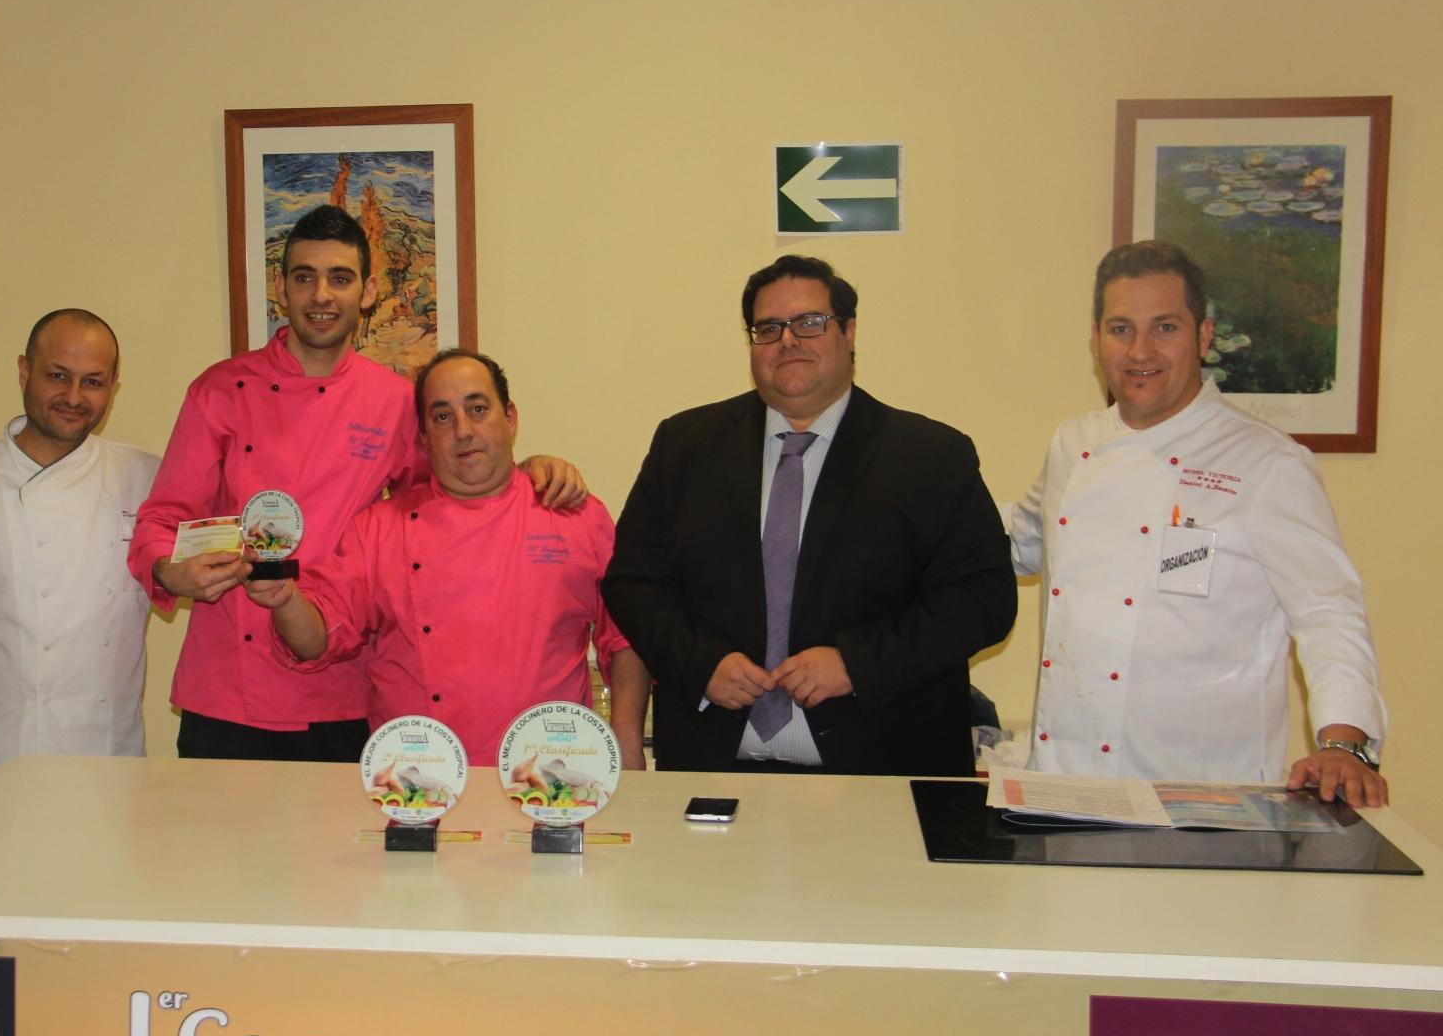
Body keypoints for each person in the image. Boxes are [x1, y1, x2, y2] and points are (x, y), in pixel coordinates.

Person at [129, 205, 585, 761]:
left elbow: (451, 495)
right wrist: (168, 569)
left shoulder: (393, 402)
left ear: (367, 291)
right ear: (281, 288)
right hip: (229, 687)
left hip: (344, 690)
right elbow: (163, 518)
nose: (321, 295)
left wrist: (530, 469)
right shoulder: (220, 390)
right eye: (305, 277)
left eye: (340, 278)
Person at [603, 255, 1015, 774]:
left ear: (850, 332)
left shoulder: (931, 457)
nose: (788, 341)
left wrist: (856, 664)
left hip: (882, 773)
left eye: (810, 323)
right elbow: (633, 583)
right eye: (768, 328)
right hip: (714, 767)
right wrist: (701, 662)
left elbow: (984, 599)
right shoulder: (684, 447)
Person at [1009, 240, 1388, 803]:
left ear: (1204, 336)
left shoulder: (1266, 462)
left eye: (1165, 327)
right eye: (1120, 329)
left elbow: (1328, 614)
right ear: (1095, 338)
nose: (1140, 350)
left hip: (1207, 796)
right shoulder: (1074, 442)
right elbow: (1017, 542)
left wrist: (1344, 744)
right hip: (1066, 784)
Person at [244, 349, 648, 769]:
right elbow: (318, 639)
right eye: (442, 416)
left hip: (548, 775)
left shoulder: (573, 514)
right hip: (417, 778)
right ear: (423, 439)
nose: (463, 431)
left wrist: (626, 742)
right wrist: (285, 598)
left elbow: (626, 634)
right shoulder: (379, 529)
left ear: (510, 418)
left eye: (477, 409)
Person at [0, 309, 160, 796]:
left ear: (113, 386)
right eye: (58, 376)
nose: (74, 397)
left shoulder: (148, 480)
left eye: (93, 381)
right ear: (24, 371)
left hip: (108, 768)